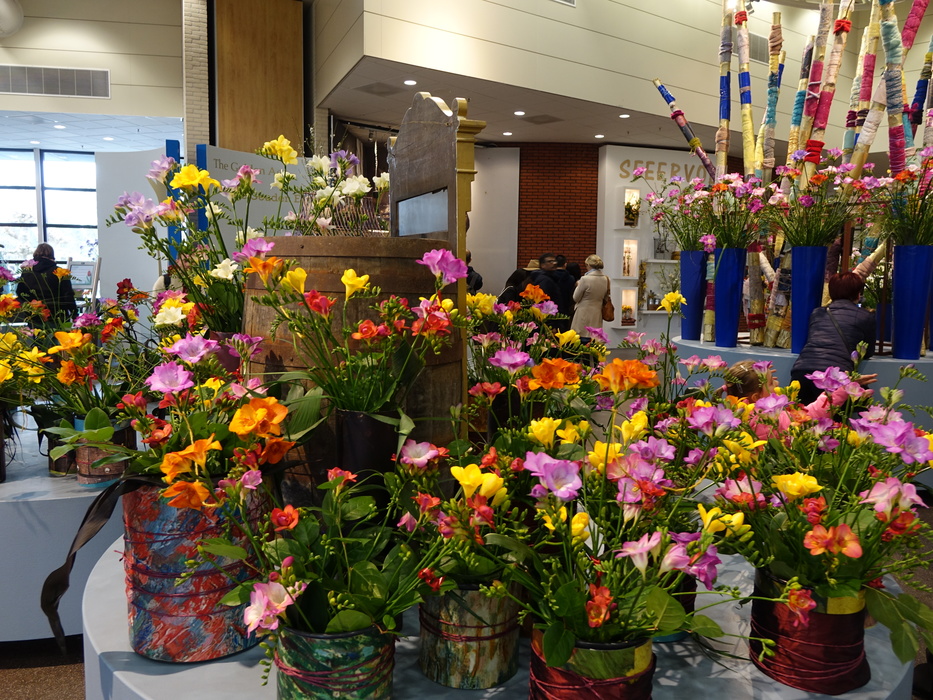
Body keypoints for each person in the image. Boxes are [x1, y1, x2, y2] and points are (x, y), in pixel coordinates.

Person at [790, 271, 877, 404]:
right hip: (835, 376)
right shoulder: (866, 316)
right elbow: (868, 352)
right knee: (860, 406)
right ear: (858, 294)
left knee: (801, 415)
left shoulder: (817, 313)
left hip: (802, 372)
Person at [16, 243, 78, 323]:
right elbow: (68, 295)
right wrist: (74, 314)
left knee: (36, 331)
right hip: (57, 315)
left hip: (34, 314)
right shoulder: (59, 272)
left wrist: (31, 304)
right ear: (52, 256)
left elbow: (20, 292)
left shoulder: (27, 272)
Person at [570, 254, 608, 338]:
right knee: (594, 337)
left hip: (583, 313)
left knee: (581, 337)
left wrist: (578, 285)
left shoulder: (585, 279)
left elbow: (576, 298)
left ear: (588, 265)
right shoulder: (606, 279)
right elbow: (605, 296)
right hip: (597, 313)